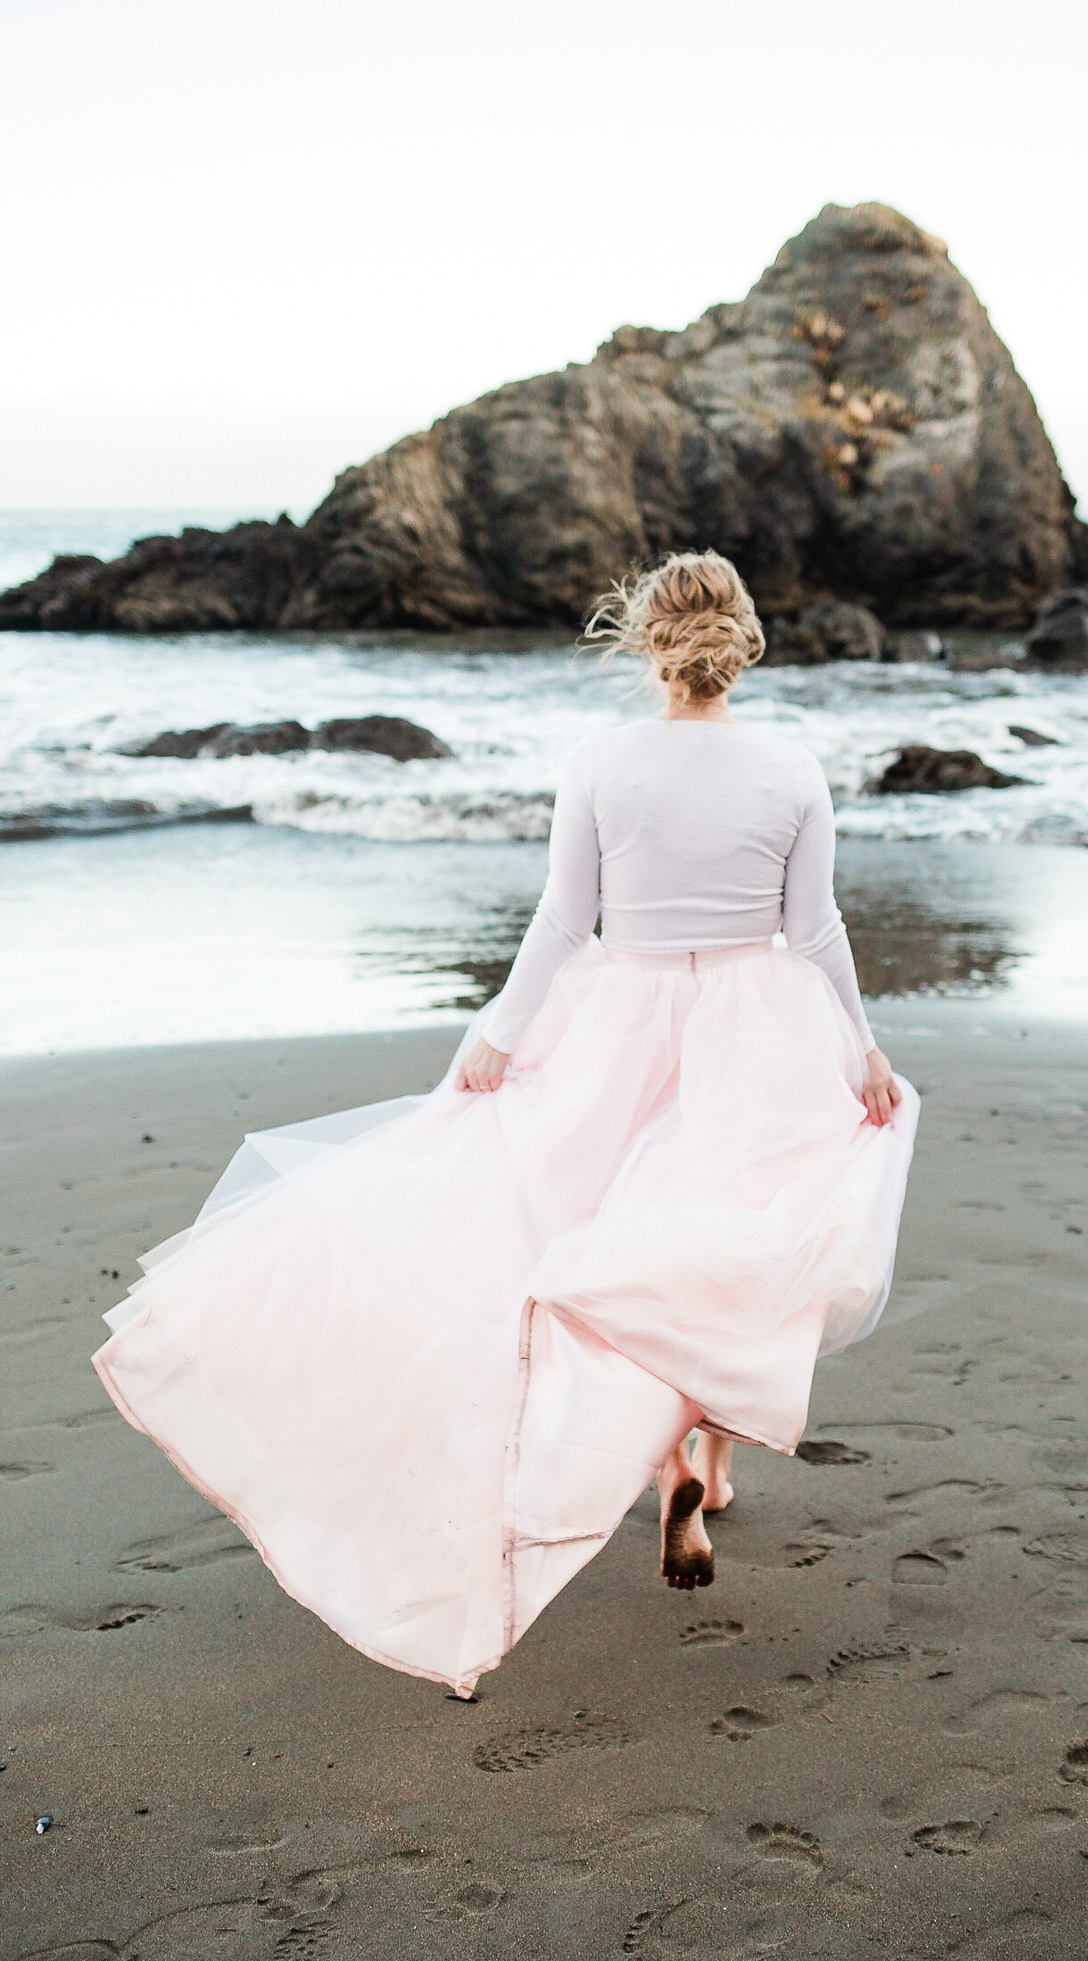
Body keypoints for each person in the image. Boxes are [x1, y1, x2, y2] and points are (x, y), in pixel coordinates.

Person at [93, 552, 917, 1698]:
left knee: (589, 1235)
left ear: (644, 641)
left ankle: (672, 1459)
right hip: (755, 1023)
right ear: (742, 638)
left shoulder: (599, 761)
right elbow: (814, 927)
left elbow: (563, 919)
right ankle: (708, 1464)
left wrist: (502, 1027)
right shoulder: (790, 768)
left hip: (613, 1019)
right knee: (721, 1245)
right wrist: (862, 1046)